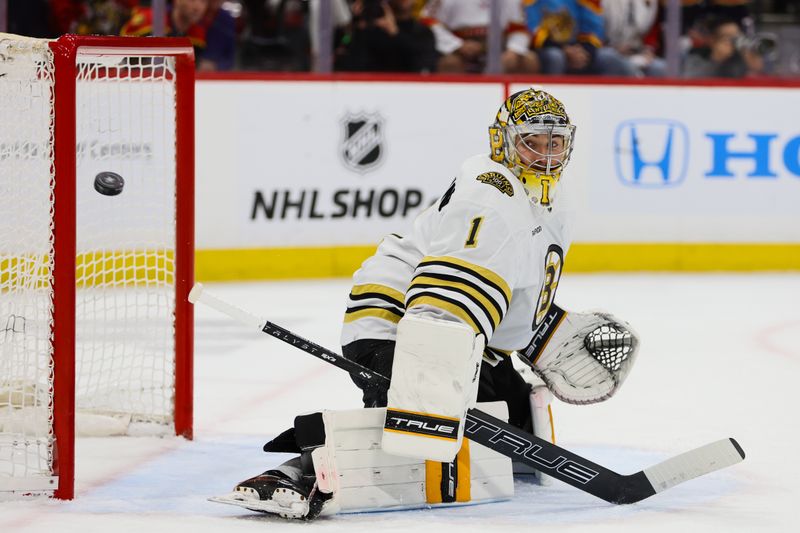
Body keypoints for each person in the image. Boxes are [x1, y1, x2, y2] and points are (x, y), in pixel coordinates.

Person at [212, 88, 639, 520]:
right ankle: (297, 470)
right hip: (397, 326)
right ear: (504, 141)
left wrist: (544, 334)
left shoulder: (550, 199)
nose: (545, 154)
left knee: (511, 431)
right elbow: (443, 303)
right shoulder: (491, 195)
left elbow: (513, 292)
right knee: (421, 429)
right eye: (532, 141)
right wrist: (427, 383)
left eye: (555, 142)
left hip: (468, 335)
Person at [420, 0, 539, 74]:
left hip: (501, 47)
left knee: (529, 62)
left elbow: (520, 26)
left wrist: (513, 50)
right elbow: (428, 21)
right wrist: (456, 45)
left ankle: (521, 109)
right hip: (461, 48)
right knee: (449, 64)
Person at [524, 0, 636, 76]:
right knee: (555, 57)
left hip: (578, 48)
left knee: (608, 57)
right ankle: (550, 105)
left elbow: (594, 28)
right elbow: (532, 28)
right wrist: (564, 49)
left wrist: (583, 51)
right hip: (545, 48)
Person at [336, 0, 438, 73]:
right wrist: (354, 25)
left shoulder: (423, 32)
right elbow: (349, 65)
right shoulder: (371, 28)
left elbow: (425, 67)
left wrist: (396, 33)